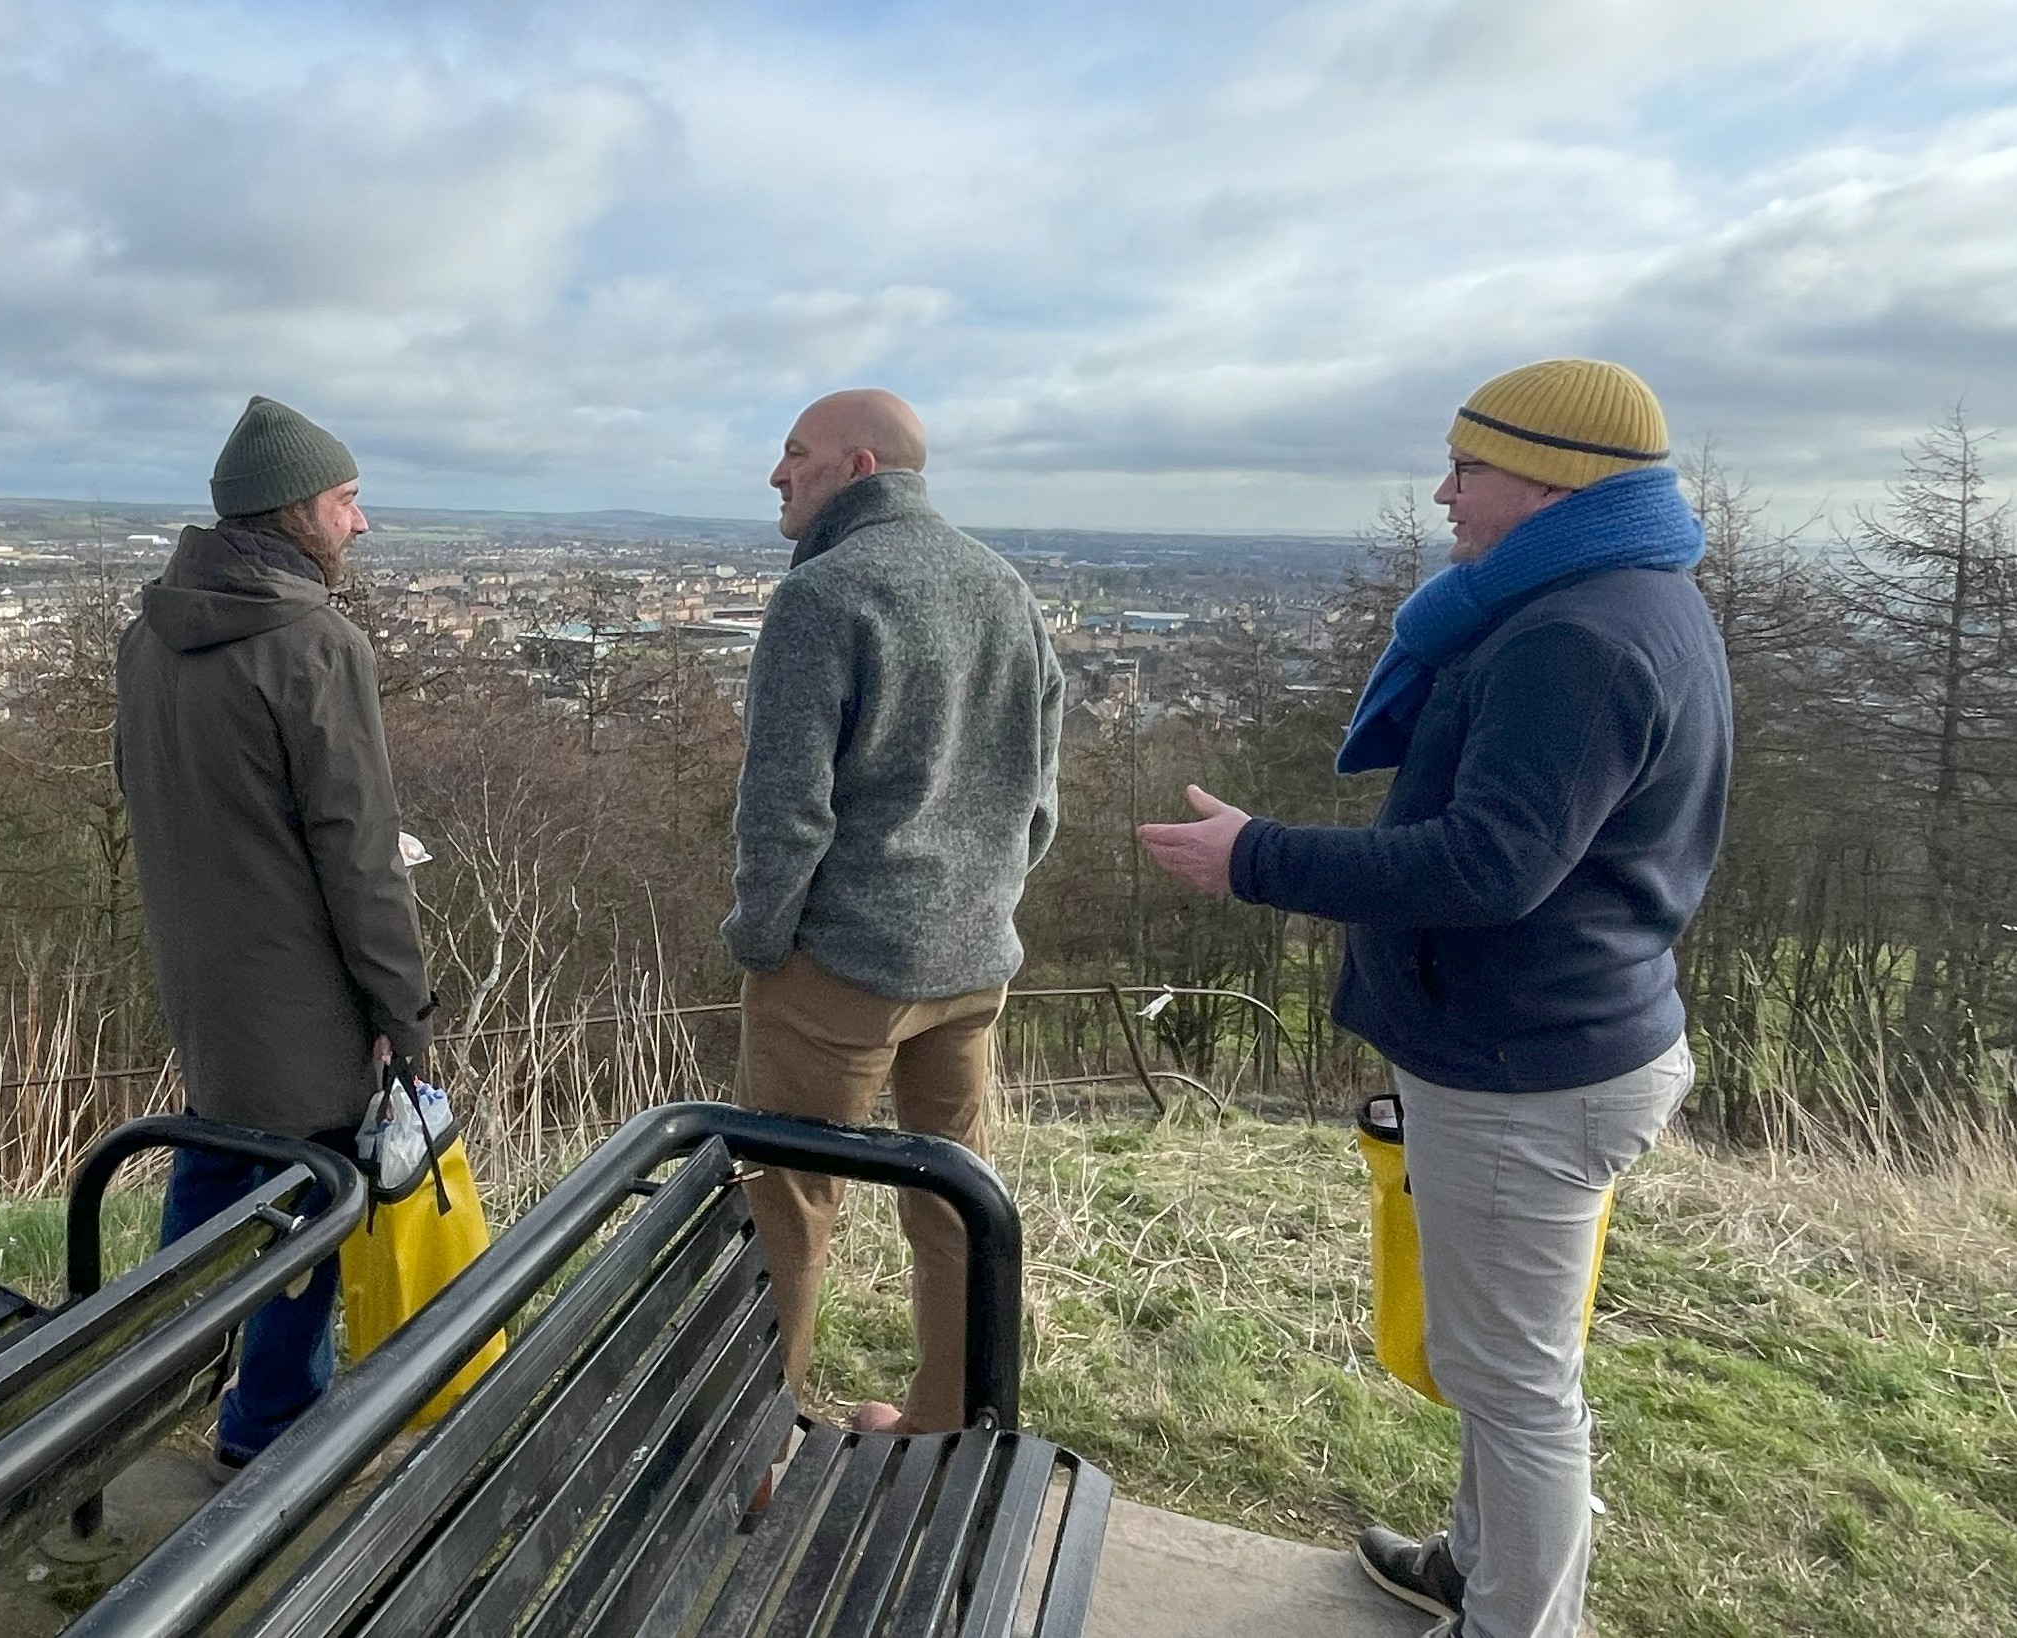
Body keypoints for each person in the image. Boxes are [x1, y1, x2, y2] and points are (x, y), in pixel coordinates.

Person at [1137, 359, 1730, 1638]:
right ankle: (1475, 1567)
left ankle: (1516, 1623)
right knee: (1496, 1358)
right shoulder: (1620, 597)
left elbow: (1486, 866)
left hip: (1529, 1064)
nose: (1445, 491)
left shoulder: (1575, 634)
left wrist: (1254, 856)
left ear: (1554, 477)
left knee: (1513, 1384)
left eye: (1470, 467)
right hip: (1554, 1037)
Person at [723, 388, 1066, 1436]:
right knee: (956, 1203)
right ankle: (949, 1426)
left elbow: (784, 809)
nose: (777, 474)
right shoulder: (1003, 585)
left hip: (843, 965)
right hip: (970, 964)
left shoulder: (824, 593)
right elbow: (1039, 796)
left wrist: (760, 938)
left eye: (795, 454)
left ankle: (750, 1447)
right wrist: (982, 903)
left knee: (782, 1206)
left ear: (858, 466)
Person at [113, 394, 436, 1469]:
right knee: (317, 1203)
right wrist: (402, 1008)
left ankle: (131, 1395)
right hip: (305, 993)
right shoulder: (309, 642)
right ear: (297, 510)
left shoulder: (149, 635)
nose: (361, 522)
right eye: (347, 500)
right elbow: (357, 850)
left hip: (208, 977)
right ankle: (269, 1433)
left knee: (211, 1176)